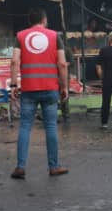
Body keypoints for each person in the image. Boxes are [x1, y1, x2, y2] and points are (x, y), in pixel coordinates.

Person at [10, 9, 69, 179]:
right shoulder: (54, 36)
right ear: (44, 20)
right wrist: (64, 86)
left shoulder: (20, 36)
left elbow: (14, 61)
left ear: (30, 21)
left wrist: (13, 83)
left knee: (25, 127)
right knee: (50, 126)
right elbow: (62, 64)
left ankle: (20, 166)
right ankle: (54, 166)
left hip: (28, 89)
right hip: (50, 88)